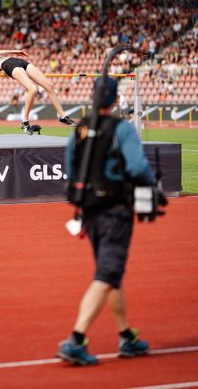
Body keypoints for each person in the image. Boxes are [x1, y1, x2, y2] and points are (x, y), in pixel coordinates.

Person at [57, 76, 155, 366]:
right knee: (106, 275)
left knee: (110, 273)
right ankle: (76, 339)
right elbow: (138, 168)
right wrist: (150, 186)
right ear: (114, 100)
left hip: (89, 211)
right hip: (115, 210)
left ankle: (126, 335)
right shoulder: (121, 129)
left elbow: (70, 170)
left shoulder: (80, 130)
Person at [0, 48, 74, 133]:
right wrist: (15, 51)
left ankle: (62, 116)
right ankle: (25, 121)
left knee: (49, 86)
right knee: (32, 89)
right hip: (9, 65)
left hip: (18, 62)